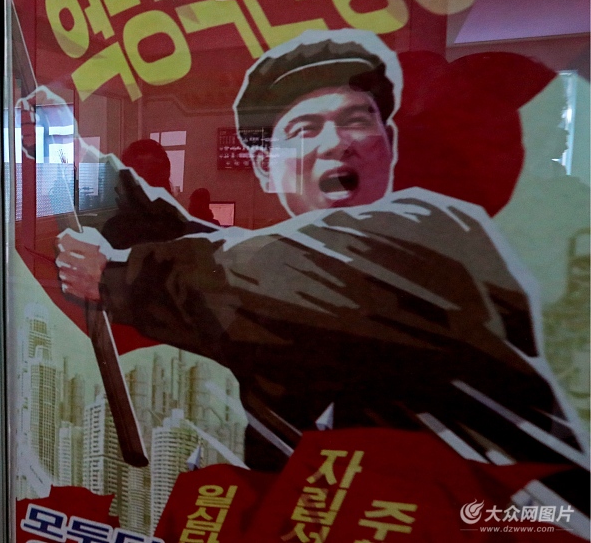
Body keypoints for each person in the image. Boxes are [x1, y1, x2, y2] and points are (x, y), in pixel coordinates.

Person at [47, 29, 589, 508]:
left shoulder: (433, 231)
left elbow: (259, 276)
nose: (336, 142)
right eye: (304, 128)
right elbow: (208, 245)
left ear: (389, 148)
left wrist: (116, 278)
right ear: (266, 168)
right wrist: (77, 160)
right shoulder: (294, 265)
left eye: (357, 121)